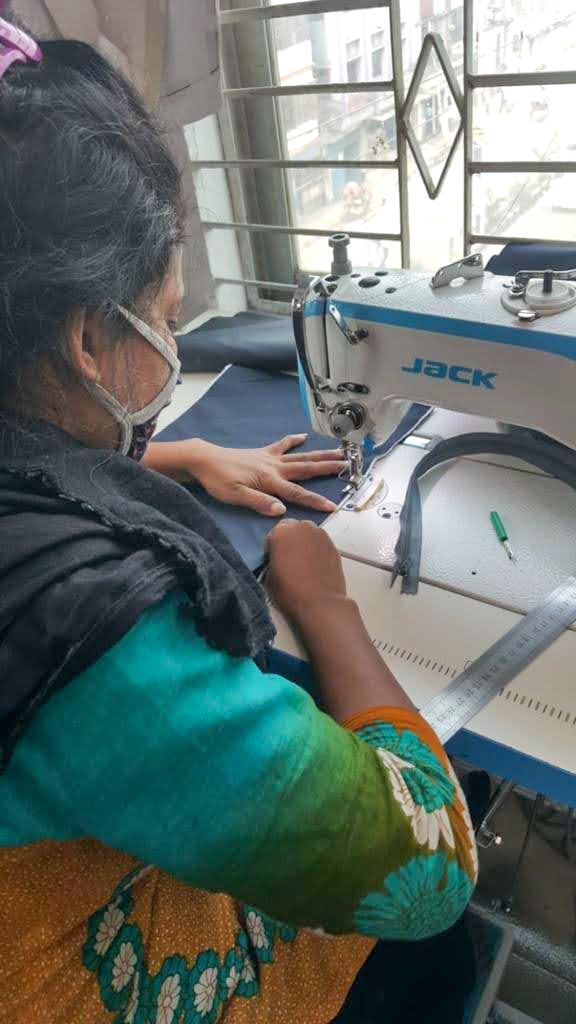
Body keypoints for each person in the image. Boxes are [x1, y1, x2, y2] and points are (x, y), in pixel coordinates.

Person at [0, 21, 478, 1024]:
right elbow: (427, 870)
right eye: (167, 319)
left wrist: (174, 453)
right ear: (89, 337)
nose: (174, 340)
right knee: (447, 944)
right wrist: (323, 600)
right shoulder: (106, 646)